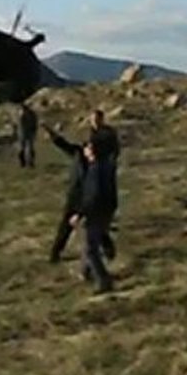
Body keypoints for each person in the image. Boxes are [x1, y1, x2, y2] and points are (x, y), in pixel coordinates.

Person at [46, 125, 118, 293]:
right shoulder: (104, 165)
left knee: (91, 248)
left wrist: (81, 213)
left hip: (93, 209)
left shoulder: (96, 169)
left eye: (88, 147)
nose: (86, 149)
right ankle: (87, 272)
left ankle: (104, 281)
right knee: (91, 242)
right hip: (99, 208)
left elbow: (93, 194)